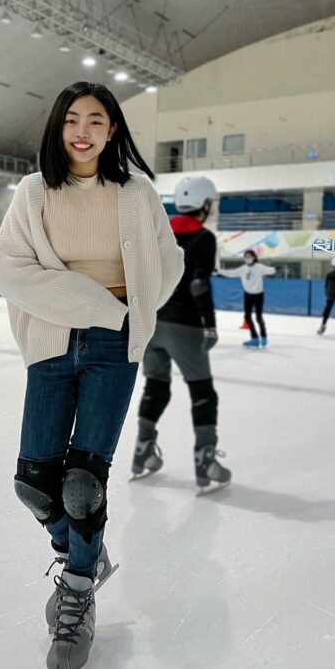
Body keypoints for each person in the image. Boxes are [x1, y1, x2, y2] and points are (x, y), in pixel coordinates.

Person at [0, 81, 184, 669]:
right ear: (57, 127)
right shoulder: (33, 191)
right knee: (34, 481)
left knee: (83, 479)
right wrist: (96, 303)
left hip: (112, 346)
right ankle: (85, 549)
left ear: (112, 130)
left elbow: (168, 262)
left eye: (96, 121)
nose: (83, 130)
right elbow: (9, 268)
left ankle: (76, 594)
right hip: (51, 339)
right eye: (72, 119)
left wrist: (132, 316)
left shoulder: (135, 191)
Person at [133, 176, 231, 493]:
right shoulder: (203, 237)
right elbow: (199, 283)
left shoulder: (158, 231)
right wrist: (210, 323)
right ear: (205, 203)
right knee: (203, 391)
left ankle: (143, 450)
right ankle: (205, 461)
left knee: (156, 387)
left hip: (151, 322)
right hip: (185, 325)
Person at [219, 250, 276, 348]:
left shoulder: (259, 267)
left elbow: (269, 270)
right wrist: (220, 271)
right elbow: (231, 273)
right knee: (247, 317)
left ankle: (263, 336)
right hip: (248, 295)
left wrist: (275, 269)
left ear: (254, 257)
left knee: (258, 317)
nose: (247, 258)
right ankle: (254, 338)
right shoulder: (243, 269)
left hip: (258, 295)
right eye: (245, 257)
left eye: (249, 256)